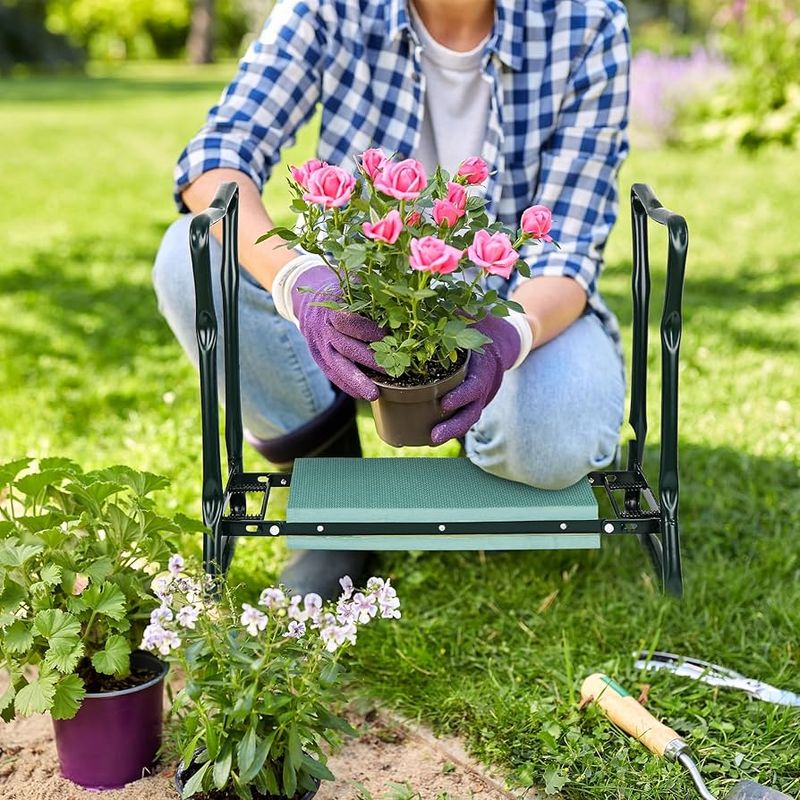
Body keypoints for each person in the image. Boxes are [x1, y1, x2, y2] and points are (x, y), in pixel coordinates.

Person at [153, 0, 630, 596]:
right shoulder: (331, 8)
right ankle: (329, 493)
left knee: (549, 442)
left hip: (516, 306)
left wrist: (509, 335)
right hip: (352, 304)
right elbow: (216, 157)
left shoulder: (585, 21)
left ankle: (490, 430)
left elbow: (568, 250)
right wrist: (295, 280)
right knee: (187, 257)